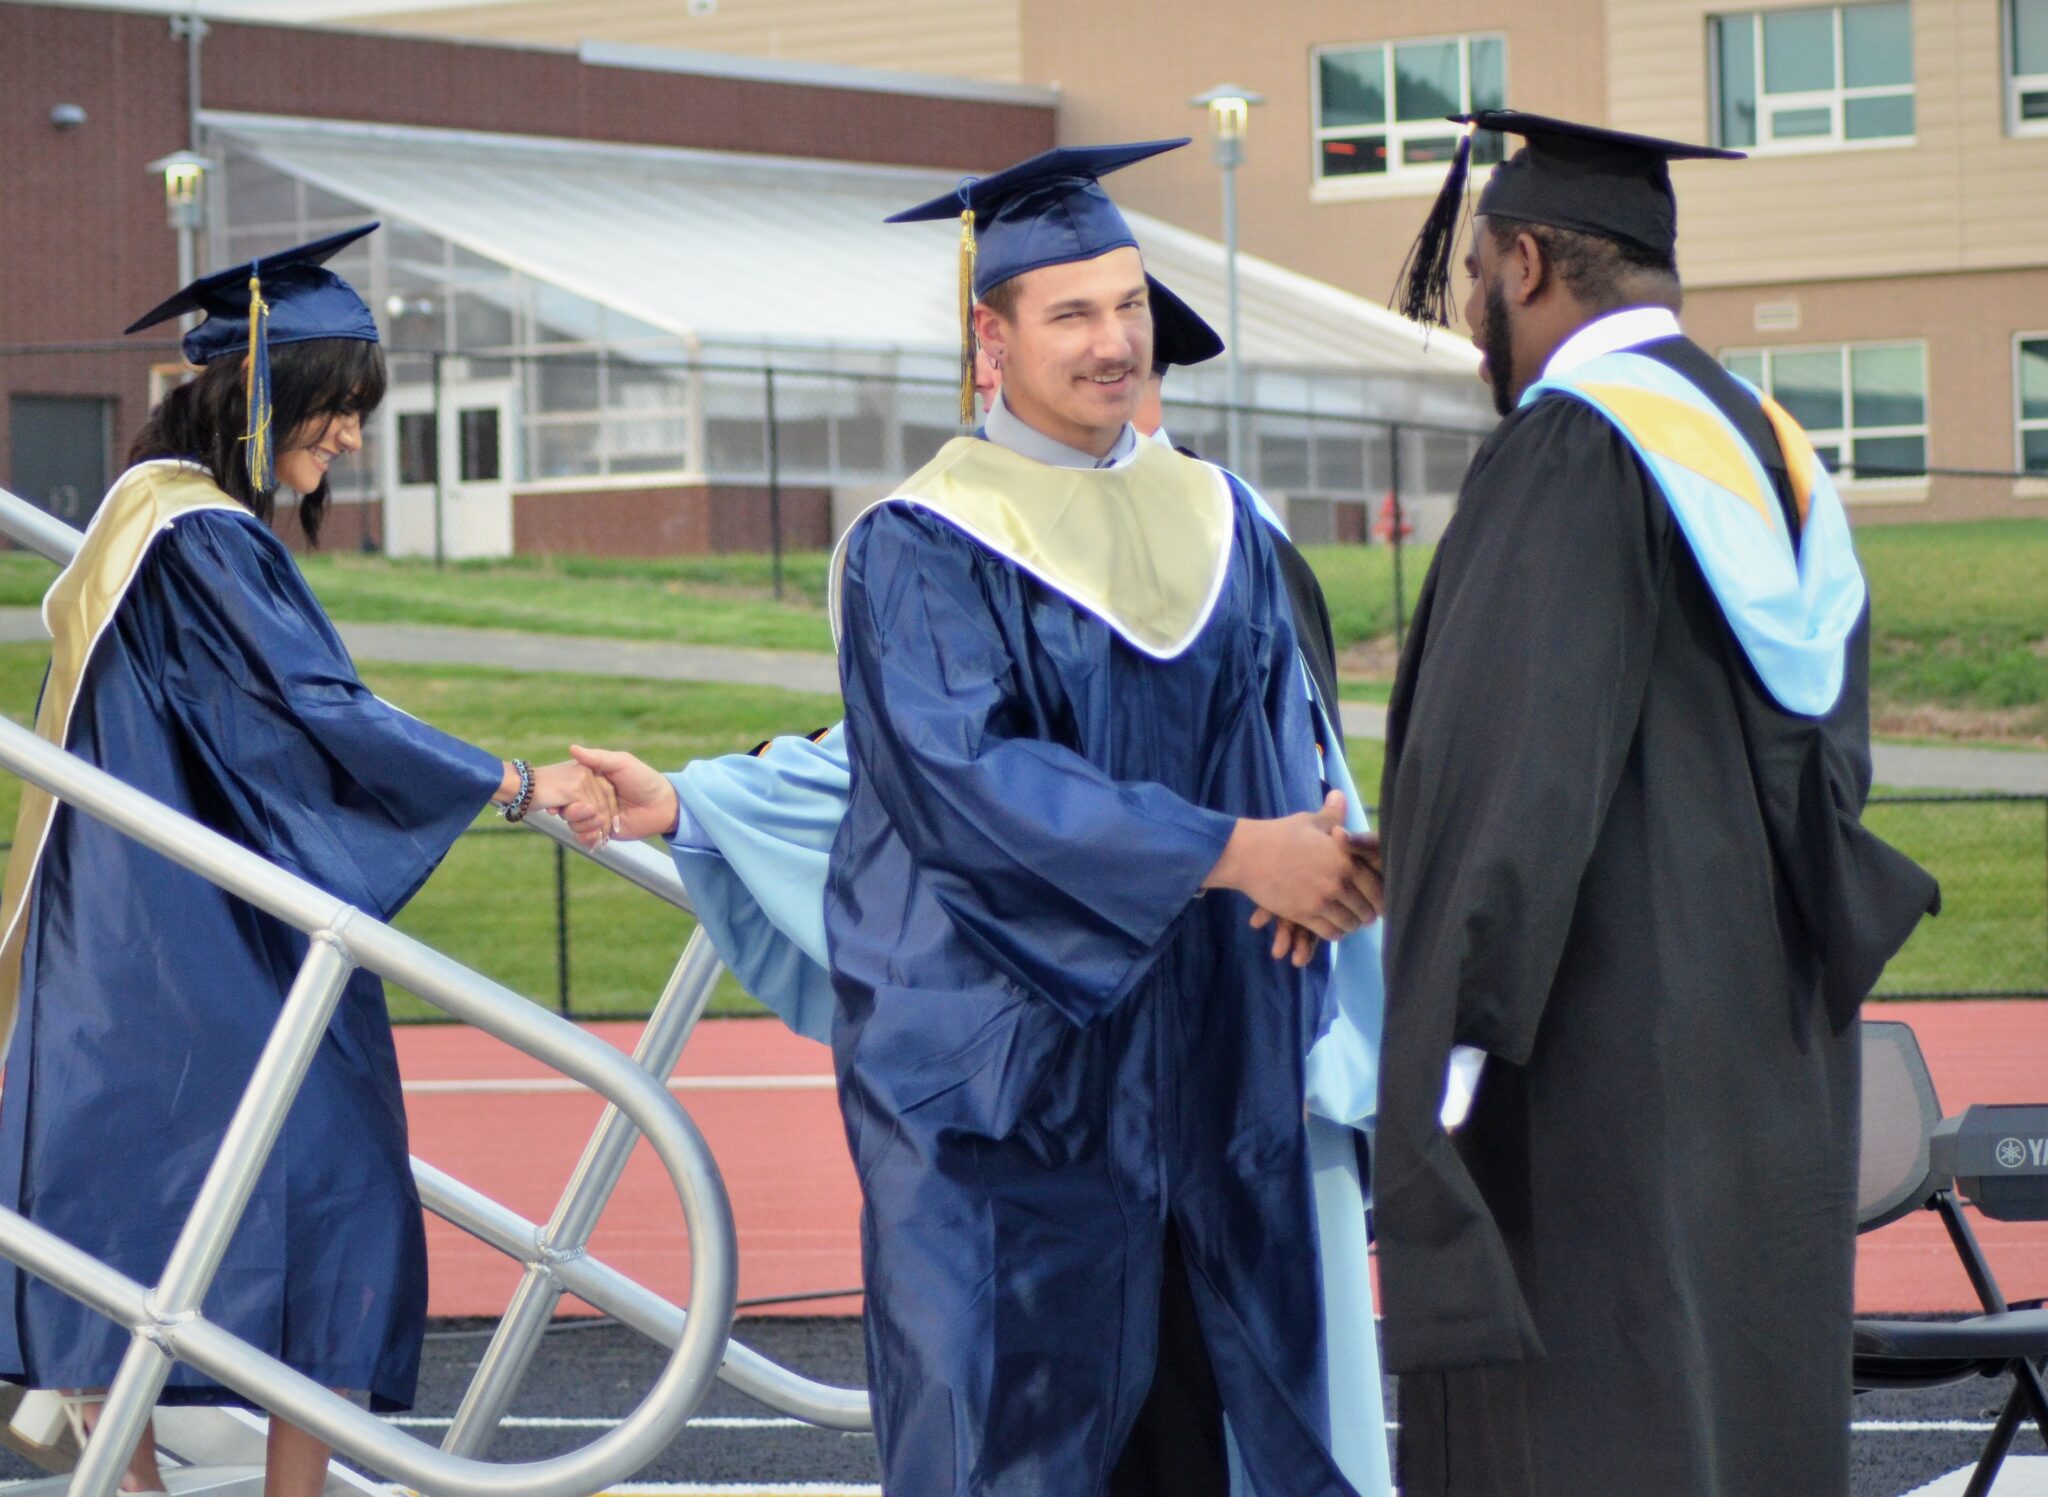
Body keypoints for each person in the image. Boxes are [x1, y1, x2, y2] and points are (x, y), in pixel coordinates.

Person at [581, 140, 1378, 1495]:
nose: (1115, 339)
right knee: (1012, 1441)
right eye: (1071, 311)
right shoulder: (923, 541)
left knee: (1220, 1438)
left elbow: (1279, 750)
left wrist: (1316, 880)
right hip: (1017, 1103)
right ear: (989, 336)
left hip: (1213, 1082)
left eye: (1129, 304)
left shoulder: (1226, 519)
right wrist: (1241, 856)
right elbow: (966, 781)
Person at [1373, 111, 1941, 1495]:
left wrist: (1445, 1041)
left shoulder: (1573, 450)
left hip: (1593, 1070)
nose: (1473, 330)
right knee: (1735, 1408)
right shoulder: (1772, 452)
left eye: (1471, 294)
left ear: (1520, 264)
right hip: (1762, 1062)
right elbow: (1828, 775)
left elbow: (1519, 766)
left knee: (1592, 1418)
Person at [0, 225, 614, 1496]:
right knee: (321, 1180)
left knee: (150, 1198)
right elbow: (311, 717)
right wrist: (510, 782)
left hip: (142, 925)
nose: (345, 438)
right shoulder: (202, 539)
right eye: (330, 407)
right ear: (252, 390)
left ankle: (148, 1477)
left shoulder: (156, 525)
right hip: (199, 935)